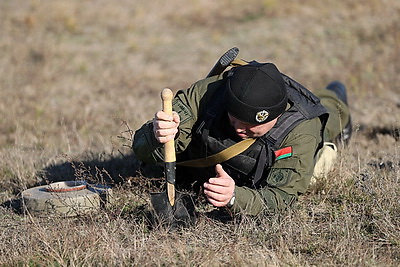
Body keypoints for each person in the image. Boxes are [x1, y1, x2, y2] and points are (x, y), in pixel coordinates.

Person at [132, 60, 351, 216]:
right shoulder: (209, 92)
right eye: (234, 119)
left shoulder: (300, 129)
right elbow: (141, 148)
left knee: (328, 125)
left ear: (275, 117)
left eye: (250, 125)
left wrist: (235, 197)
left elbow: (282, 196)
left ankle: (335, 93)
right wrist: (157, 135)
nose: (238, 129)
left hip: (307, 135)